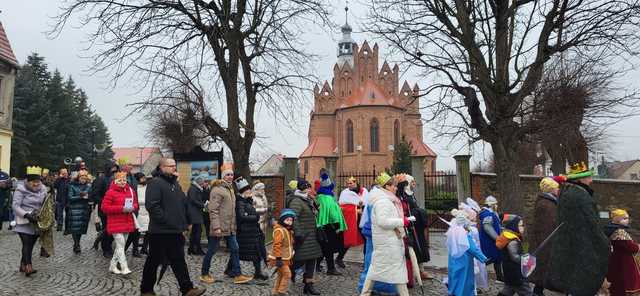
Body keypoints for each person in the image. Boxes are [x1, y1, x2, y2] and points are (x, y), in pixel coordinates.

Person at [140, 158, 206, 296]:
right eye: (170, 166)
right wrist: (166, 220)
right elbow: (152, 206)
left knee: (179, 261)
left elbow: (183, 203)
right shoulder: (155, 183)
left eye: (174, 166)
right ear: (162, 167)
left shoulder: (175, 184)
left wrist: (186, 221)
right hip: (159, 232)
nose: (174, 168)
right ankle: (146, 290)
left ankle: (187, 289)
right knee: (153, 261)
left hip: (175, 231)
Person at [549, 161, 610, 295]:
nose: (591, 180)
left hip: (571, 247)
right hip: (582, 249)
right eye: (588, 177)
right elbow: (592, 224)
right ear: (581, 179)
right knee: (581, 285)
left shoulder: (567, 192)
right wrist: (605, 243)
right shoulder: (580, 196)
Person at [360, 172, 413, 296]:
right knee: (396, 273)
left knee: (375, 272)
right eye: (393, 186)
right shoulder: (383, 201)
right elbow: (383, 221)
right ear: (386, 187)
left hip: (388, 243)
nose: (396, 188)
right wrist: (402, 221)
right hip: (388, 244)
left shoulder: (387, 200)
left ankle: (365, 293)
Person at [200, 164, 253, 285]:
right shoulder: (217, 189)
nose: (230, 176)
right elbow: (213, 210)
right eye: (227, 174)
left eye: (231, 174)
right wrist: (216, 227)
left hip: (229, 227)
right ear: (223, 176)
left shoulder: (230, 189)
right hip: (219, 227)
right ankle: (204, 273)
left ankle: (237, 274)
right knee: (212, 250)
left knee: (235, 249)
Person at [528, 176, 564, 295]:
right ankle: (537, 292)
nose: (558, 190)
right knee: (543, 268)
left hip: (546, 240)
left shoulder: (549, 202)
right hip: (545, 241)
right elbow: (547, 225)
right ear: (551, 189)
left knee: (543, 269)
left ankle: (538, 291)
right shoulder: (546, 204)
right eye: (557, 188)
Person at [289, 179, 323, 295]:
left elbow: (318, 210)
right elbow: (293, 217)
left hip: (312, 236)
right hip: (303, 236)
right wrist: (298, 233)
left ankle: (308, 285)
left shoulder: (307, 199)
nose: (310, 190)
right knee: (299, 260)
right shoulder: (297, 201)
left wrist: (314, 201)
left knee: (312, 259)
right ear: (302, 188)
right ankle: (289, 271)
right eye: (308, 188)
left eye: (310, 187)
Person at [12, 166, 48, 276]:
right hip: (24, 222)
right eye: (33, 182)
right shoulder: (20, 190)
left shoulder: (43, 189)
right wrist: (26, 215)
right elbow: (15, 206)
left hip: (36, 222)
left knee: (30, 245)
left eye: (38, 181)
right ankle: (28, 266)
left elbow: (46, 204)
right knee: (26, 244)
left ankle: (22, 265)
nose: (36, 184)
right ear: (28, 181)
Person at [101, 172, 138, 275]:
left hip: (127, 222)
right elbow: (104, 208)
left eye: (124, 180)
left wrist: (132, 207)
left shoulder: (130, 191)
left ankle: (112, 266)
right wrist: (122, 209)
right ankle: (124, 267)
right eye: (120, 180)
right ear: (115, 181)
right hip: (115, 223)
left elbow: (135, 204)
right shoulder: (110, 192)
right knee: (120, 244)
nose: (122, 182)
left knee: (120, 246)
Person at [446, 208, 489, 296]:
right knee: (464, 280)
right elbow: (473, 249)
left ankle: (453, 292)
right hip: (465, 262)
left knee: (455, 278)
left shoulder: (452, 233)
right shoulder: (465, 235)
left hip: (453, 261)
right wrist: (483, 258)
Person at [234, 176, 269, 281]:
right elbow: (241, 216)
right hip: (245, 232)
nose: (250, 191)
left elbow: (247, 213)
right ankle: (230, 269)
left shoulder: (247, 201)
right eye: (248, 190)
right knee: (240, 252)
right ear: (243, 191)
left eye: (249, 189)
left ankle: (258, 273)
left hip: (253, 231)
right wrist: (256, 217)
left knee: (256, 253)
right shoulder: (240, 202)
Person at [315, 170, 347, 276]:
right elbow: (333, 214)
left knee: (323, 247)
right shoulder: (328, 198)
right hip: (330, 226)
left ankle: (318, 265)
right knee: (328, 249)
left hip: (321, 225)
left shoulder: (319, 197)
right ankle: (331, 268)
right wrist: (337, 226)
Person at [604, 209, 640, 296]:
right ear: (617, 220)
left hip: (616, 258)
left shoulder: (612, 230)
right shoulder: (619, 232)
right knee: (623, 281)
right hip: (624, 261)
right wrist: (638, 246)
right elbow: (630, 247)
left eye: (627, 218)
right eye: (624, 218)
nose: (627, 220)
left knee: (617, 280)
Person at [496, 214, 532, 296]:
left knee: (508, 290)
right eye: (520, 225)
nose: (523, 227)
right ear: (514, 226)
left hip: (509, 270)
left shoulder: (511, 237)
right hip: (516, 271)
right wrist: (526, 259)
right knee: (526, 292)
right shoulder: (512, 241)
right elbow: (515, 257)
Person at [460, 198, 489, 292]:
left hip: (470, 251)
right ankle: (472, 287)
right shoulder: (471, 230)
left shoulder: (465, 229)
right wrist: (480, 255)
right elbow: (473, 244)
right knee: (473, 270)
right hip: (473, 252)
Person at [91, 162, 120, 258]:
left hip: (116, 209)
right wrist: (105, 202)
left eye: (116, 170)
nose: (114, 172)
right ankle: (106, 249)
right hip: (105, 209)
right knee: (107, 230)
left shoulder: (117, 180)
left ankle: (108, 246)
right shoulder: (101, 179)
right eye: (113, 170)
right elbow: (95, 194)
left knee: (113, 230)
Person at [337, 176, 366, 268]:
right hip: (351, 219)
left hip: (362, 219)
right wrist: (355, 210)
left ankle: (366, 261)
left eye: (351, 183)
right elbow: (342, 207)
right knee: (347, 240)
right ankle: (339, 258)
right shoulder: (345, 193)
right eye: (348, 183)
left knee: (365, 239)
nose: (349, 185)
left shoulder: (364, 192)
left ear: (356, 183)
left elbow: (366, 203)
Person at [269, 208, 296, 296]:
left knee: (281, 275)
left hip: (285, 258)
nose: (289, 222)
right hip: (279, 258)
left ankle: (275, 292)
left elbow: (289, 244)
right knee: (287, 274)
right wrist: (278, 258)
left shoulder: (288, 230)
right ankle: (281, 292)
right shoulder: (279, 230)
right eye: (287, 220)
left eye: (291, 220)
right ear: (282, 220)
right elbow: (277, 245)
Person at [66, 169, 92, 254]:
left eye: (85, 178)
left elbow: (91, 196)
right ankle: (76, 244)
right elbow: (70, 197)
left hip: (84, 209)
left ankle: (78, 243)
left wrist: (89, 198)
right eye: (82, 178)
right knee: (74, 228)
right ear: (78, 178)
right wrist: (80, 197)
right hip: (74, 209)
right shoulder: (72, 185)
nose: (83, 179)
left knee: (81, 228)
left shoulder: (88, 186)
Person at [478, 195, 503, 282]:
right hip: (490, 241)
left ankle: (500, 277)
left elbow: (496, 225)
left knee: (498, 259)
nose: (497, 205)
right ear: (492, 205)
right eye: (495, 204)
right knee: (489, 258)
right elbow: (488, 228)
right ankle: (475, 271)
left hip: (493, 240)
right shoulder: (488, 214)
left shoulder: (491, 213)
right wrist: (497, 238)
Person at [186, 176, 207, 256]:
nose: (203, 184)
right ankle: (197, 249)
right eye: (202, 183)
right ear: (199, 183)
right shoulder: (193, 188)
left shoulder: (195, 188)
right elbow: (193, 200)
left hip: (195, 213)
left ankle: (191, 249)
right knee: (197, 232)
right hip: (194, 213)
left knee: (195, 232)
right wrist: (203, 205)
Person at [252, 180, 269, 265]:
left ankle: (263, 257)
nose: (263, 191)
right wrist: (263, 210)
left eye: (263, 189)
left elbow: (267, 208)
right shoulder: (253, 198)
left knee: (261, 242)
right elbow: (252, 210)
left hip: (264, 223)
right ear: (257, 189)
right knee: (259, 244)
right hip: (257, 224)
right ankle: (264, 259)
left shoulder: (263, 196)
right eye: (262, 189)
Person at [53, 168, 70, 232]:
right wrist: (59, 178)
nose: (65, 174)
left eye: (65, 172)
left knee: (68, 215)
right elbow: (55, 186)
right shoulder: (59, 180)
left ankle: (67, 228)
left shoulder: (70, 180)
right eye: (63, 173)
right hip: (60, 199)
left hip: (68, 199)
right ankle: (59, 226)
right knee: (59, 214)